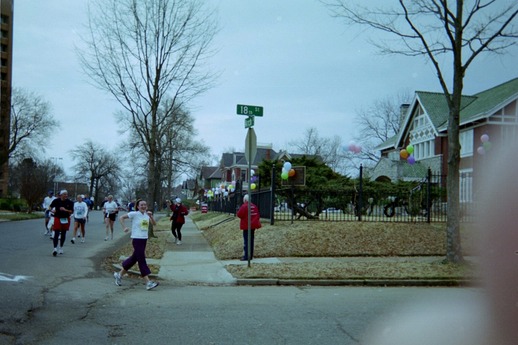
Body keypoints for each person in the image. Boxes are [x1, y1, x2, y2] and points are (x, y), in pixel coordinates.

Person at [113, 199, 159, 291]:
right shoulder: (134, 214)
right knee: (141, 260)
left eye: (145, 205)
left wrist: (151, 216)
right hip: (137, 239)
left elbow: (154, 224)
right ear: (138, 206)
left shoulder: (146, 215)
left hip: (144, 239)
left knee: (134, 259)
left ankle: (119, 275)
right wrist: (124, 227)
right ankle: (148, 282)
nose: (143, 206)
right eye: (141, 205)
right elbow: (121, 217)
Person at [236, 194, 261, 261]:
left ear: (245, 200)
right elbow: (258, 215)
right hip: (253, 226)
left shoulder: (244, 206)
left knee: (246, 241)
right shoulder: (254, 206)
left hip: (246, 226)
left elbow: (239, 214)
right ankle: (251, 255)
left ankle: (247, 256)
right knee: (251, 240)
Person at [49, 190, 74, 256]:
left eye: (66, 194)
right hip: (57, 217)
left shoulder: (70, 202)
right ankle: (55, 249)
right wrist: (52, 210)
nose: (66, 195)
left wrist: (65, 209)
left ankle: (61, 247)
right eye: (64, 194)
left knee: (63, 233)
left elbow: (71, 211)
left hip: (65, 219)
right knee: (56, 233)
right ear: (60, 195)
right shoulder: (56, 201)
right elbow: (50, 207)